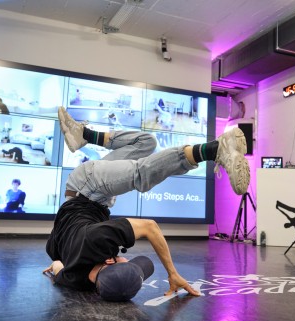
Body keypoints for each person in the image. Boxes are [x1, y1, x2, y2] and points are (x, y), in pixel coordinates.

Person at [43, 106, 250, 302]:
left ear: (109, 260)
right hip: (87, 195)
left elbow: (150, 227)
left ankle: (214, 149)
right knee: (146, 142)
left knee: (140, 175)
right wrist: (60, 261)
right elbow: (56, 264)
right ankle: (85, 135)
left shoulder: (95, 240)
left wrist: (173, 273)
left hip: (87, 185)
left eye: (126, 261)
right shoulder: (75, 280)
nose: (127, 258)